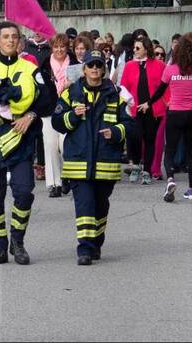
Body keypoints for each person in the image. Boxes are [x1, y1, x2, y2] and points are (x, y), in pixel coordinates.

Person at [0, 21, 51, 265]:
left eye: (14, 36)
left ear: (20, 41)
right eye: (5, 36)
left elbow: (47, 99)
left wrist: (29, 116)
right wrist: (11, 107)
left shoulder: (31, 68)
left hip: (22, 137)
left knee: (23, 191)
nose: (10, 40)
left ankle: (17, 242)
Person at [51, 50, 133, 265]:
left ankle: (96, 242)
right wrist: (72, 116)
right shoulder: (71, 93)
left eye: (98, 65)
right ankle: (84, 249)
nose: (95, 69)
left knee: (100, 206)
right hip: (78, 161)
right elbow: (57, 122)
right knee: (84, 205)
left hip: (106, 162)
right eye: (91, 65)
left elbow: (130, 125)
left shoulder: (116, 93)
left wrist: (115, 132)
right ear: (84, 68)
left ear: (104, 68)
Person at [139, 34, 192, 201]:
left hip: (175, 112)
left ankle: (170, 180)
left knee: (170, 149)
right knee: (190, 150)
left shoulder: (170, 69)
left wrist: (148, 103)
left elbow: (160, 91)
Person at [120, 36, 166, 185]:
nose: (134, 51)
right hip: (135, 108)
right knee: (135, 137)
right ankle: (135, 166)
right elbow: (123, 87)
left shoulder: (159, 65)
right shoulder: (129, 65)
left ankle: (147, 170)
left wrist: (164, 103)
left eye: (137, 48)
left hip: (154, 109)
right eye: (134, 48)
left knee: (150, 140)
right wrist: (127, 101)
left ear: (146, 49)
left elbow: (164, 87)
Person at [39, 33, 80, 197]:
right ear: (52, 48)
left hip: (67, 111)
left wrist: (71, 85)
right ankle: (54, 184)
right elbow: (40, 90)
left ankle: (66, 177)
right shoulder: (44, 66)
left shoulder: (76, 65)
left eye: (62, 46)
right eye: (56, 47)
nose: (59, 50)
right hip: (48, 111)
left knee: (65, 146)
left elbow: (81, 88)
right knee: (50, 146)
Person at [151, 45, 168, 180]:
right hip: (146, 108)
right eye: (157, 54)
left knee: (158, 140)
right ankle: (145, 165)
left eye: (162, 54)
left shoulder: (165, 68)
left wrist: (168, 102)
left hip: (162, 108)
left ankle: (156, 168)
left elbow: (168, 88)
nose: (160, 56)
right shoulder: (147, 68)